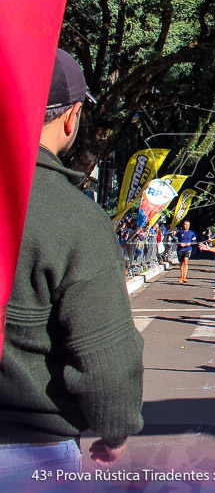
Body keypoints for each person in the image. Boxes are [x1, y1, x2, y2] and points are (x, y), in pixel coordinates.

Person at [0, 49, 144, 478]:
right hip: (27, 449)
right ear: (71, 117)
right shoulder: (74, 218)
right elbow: (106, 357)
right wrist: (115, 430)